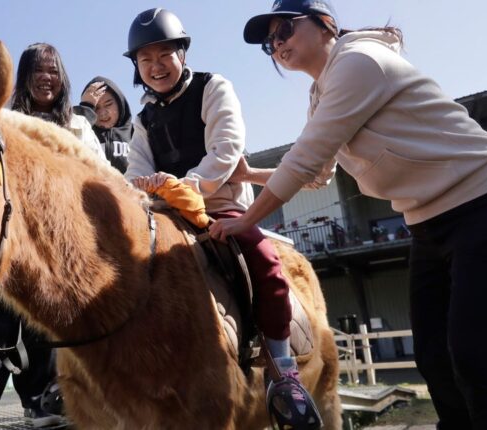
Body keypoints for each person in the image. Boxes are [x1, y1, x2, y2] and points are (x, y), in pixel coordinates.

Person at [212, 0, 487, 428]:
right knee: (434, 357)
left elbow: (304, 159)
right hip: (427, 224)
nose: (277, 44)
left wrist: (247, 220)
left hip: (485, 203)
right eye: (270, 43)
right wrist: (251, 174)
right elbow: (319, 174)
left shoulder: (359, 61)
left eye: (284, 29)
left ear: (325, 25)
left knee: (477, 355)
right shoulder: (321, 94)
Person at [122, 8, 320, 427]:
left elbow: (227, 149)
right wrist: (145, 188)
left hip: (218, 205)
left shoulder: (214, 87)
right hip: (165, 213)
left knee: (264, 261)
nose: (156, 66)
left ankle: (282, 370)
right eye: (145, 59)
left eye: (164, 55)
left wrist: (185, 185)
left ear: (182, 54)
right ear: (137, 67)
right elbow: (134, 172)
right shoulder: (142, 119)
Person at [0, 42, 104, 430]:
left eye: (53, 71)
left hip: (56, 243)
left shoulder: (78, 125)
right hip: (8, 236)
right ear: (23, 77)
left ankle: (40, 402)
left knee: (43, 326)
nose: (46, 78)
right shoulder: (5, 119)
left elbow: (98, 174)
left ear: (63, 77)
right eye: (37, 71)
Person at [77, 76, 133, 173]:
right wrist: (85, 108)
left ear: (120, 103)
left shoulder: (138, 133)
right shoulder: (83, 135)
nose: (103, 113)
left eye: (108, 104)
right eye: (96, 108)